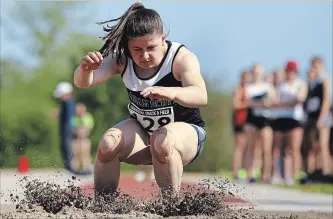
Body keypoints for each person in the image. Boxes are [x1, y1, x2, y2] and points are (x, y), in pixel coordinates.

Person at [73, 2, 207, 198]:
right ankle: (103, 206)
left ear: (163, 38)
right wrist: (85, 69)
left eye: (151, 47)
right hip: (144, 135)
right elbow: (83, 83)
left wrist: (171, 92)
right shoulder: (122, 59)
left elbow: (201, 95)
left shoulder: (181, 59)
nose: (144, 56)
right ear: (128, 45)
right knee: (108, 143)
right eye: (137, 49)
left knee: (162, 140)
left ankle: (171, 206)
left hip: (185, 136)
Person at [270, 60, 307, 185]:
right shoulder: (282, 85)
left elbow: (300, 99)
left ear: (296, 72)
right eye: (288, 71)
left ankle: (293, 175)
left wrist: (284, 103)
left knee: (293, 148)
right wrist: (288, 103)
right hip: (281, 118)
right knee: (277, 147)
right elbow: (275, 101)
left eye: (292, 71)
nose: (290, 73)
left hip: (294, 119)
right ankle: (277, 174)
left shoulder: (301, 84)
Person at [301, 56, 333, 184]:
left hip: (322, 117)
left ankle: (325, 173)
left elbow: (326, 100)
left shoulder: (324, 80)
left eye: (317, 66)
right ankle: (313, 172)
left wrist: (322, 118)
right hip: (312, 117)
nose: (314, 68)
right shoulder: (311, 82)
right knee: (312, 146)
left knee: (323, 145)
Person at [244, 64, 275, 183]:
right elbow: (247, 102)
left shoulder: (268, 86)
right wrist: (261, 103)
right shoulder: (248, 87)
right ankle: (249, 174)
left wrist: (258, 103)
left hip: (264, 118)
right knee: (250, 147)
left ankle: (266, 175)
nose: (257, 75)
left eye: (259, 72)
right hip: (252, 118)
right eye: (255, 72)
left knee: (267, 149)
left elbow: (272, 101)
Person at [50, 81, 76, 172]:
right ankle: (68, 165)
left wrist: (69, 127)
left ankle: (70, 166)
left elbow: (69, 117)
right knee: (65, 146)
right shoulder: (68, 103)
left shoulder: (68, 102)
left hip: (67, 128)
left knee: (67, 146)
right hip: (67, 127)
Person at [231, 70, 252, 181]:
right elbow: (235, 104)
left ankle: (245, 171)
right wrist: (248, 103)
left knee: (247, 147)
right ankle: (236, 171)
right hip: (239, 120)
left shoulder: (250, 89)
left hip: (247, 121)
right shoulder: (239, 89)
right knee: (239, 147)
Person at [269, 68, 286, 184]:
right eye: (276, 75)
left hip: (285, 119)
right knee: (275, 148)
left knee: (286, 149)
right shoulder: (270, 88)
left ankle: (286, 174)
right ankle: (275, 173)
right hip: (273, 120)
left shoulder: (285, 87)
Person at [71, 103, 95, 174]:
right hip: (76, 138)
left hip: (85, 138)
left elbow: (89, 127)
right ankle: (74, 169)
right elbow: (73, 127)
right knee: (75, 154)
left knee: (85, 154)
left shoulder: (87, 116)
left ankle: (86, 169)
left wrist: (82, 118)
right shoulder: (74, 117)